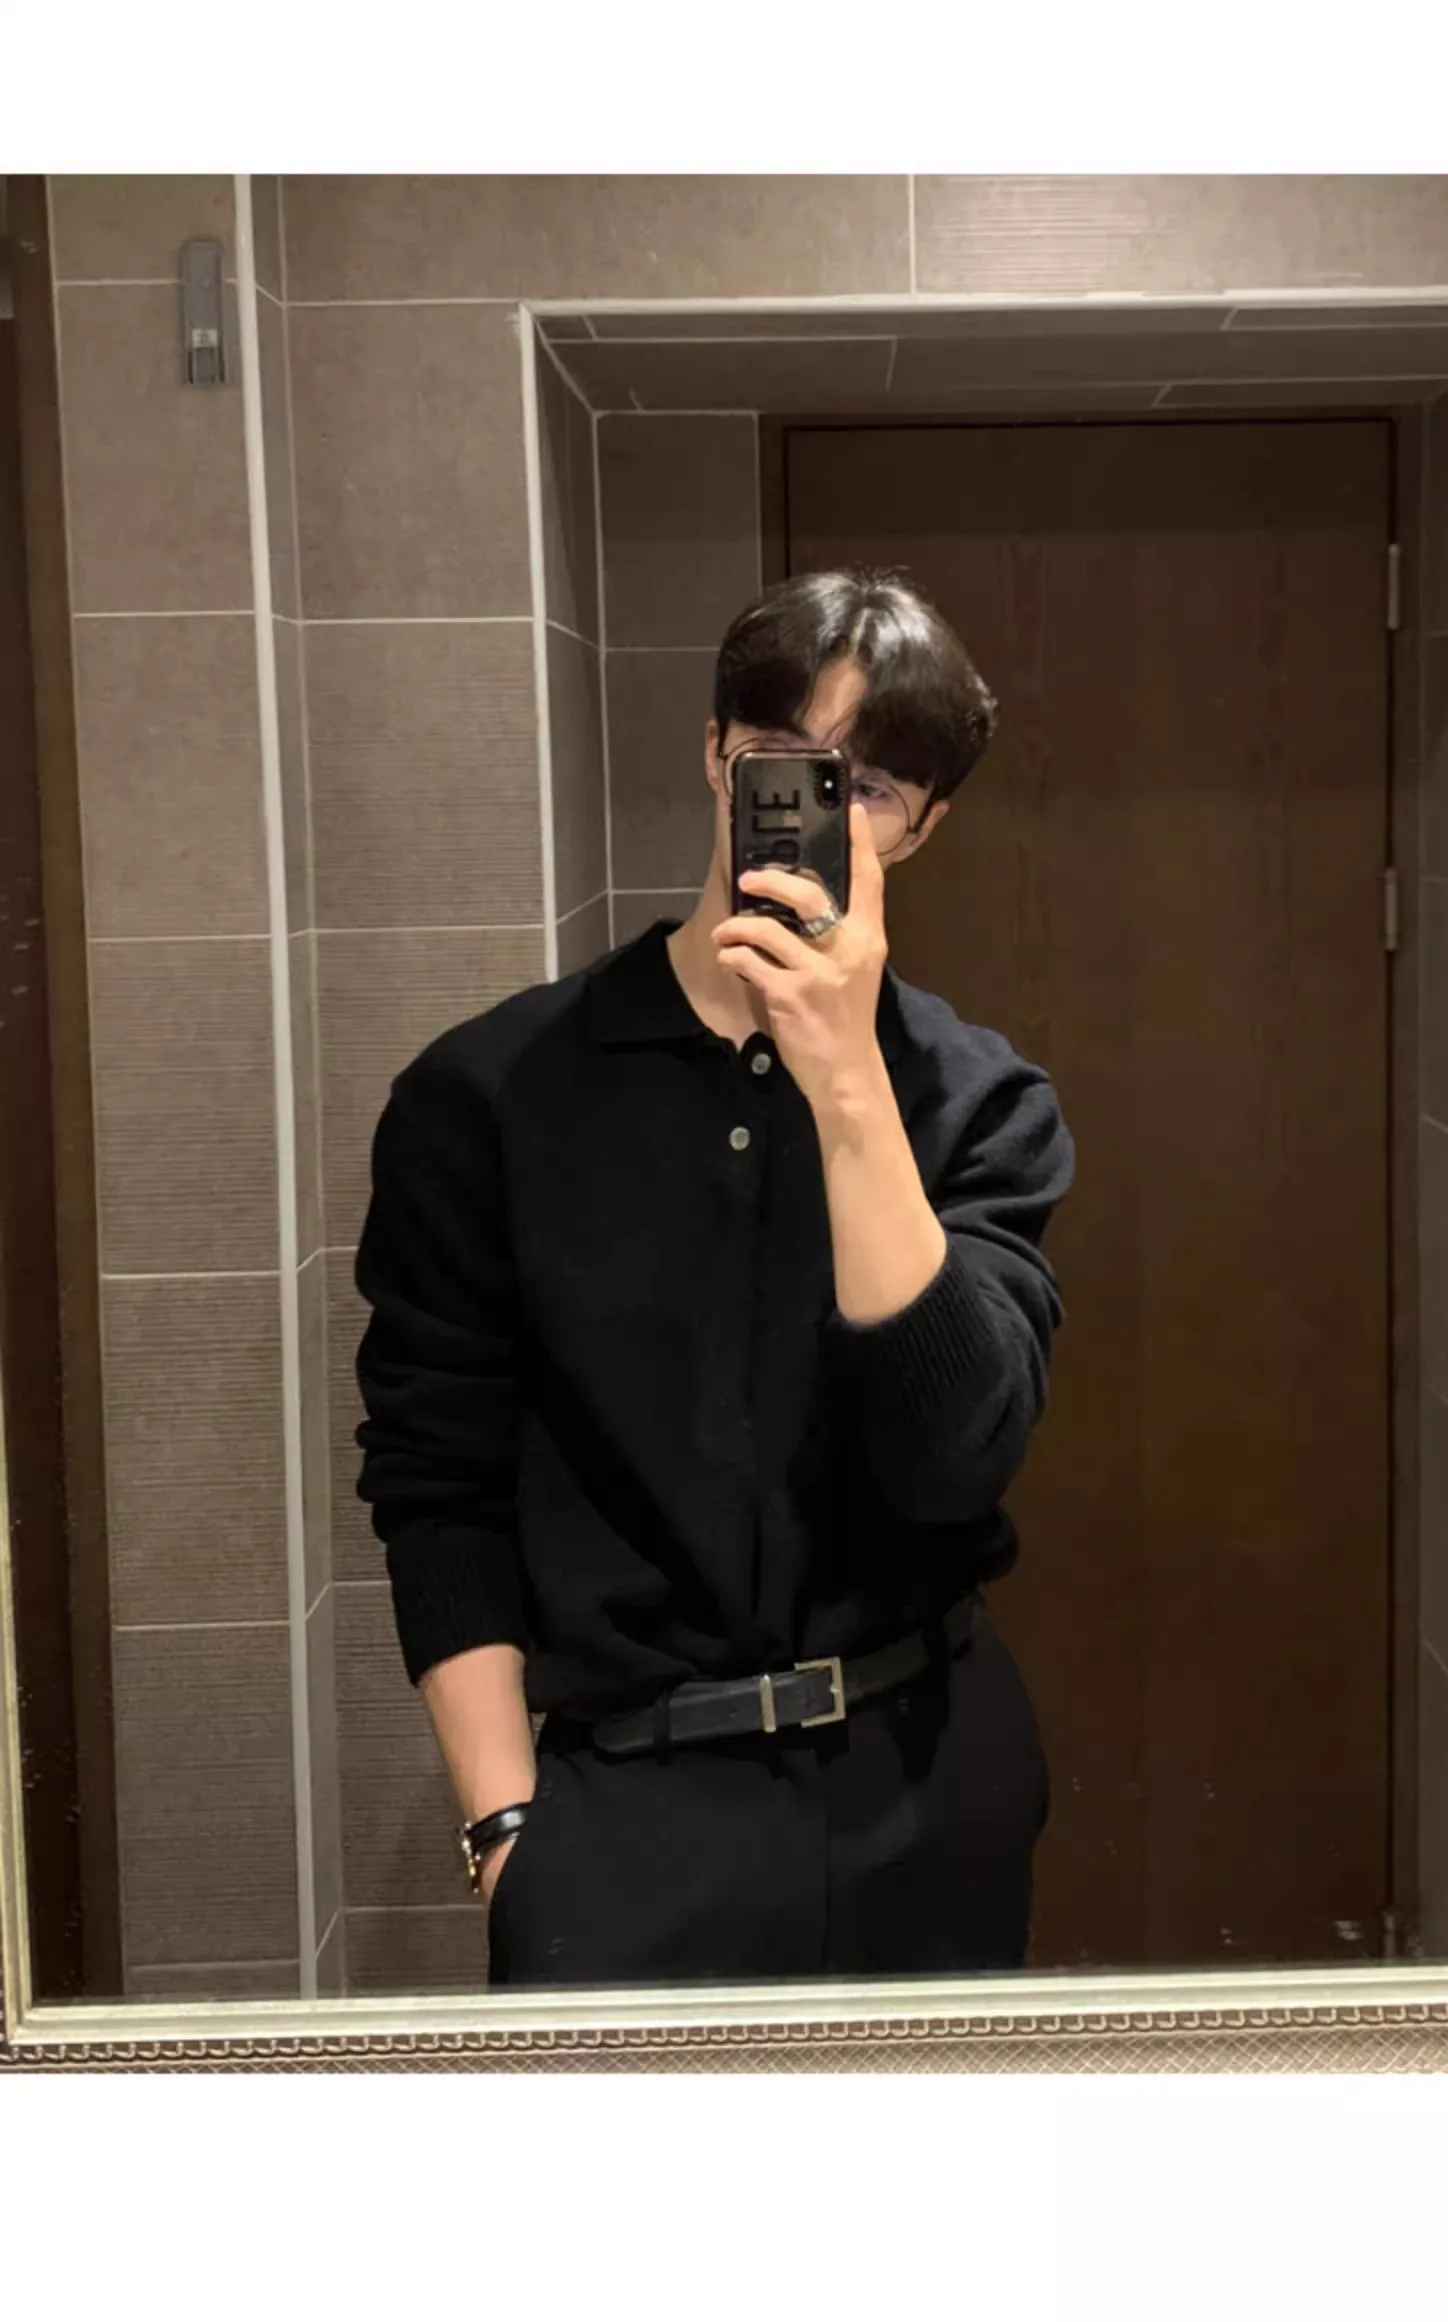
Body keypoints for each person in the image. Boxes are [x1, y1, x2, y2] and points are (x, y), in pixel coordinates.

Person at [353, 569, 1075, 1989]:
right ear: (713, 755)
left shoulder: (978, 1104)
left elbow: (955, 1460)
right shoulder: (489, 1096)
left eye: (869, 787)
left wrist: (849, 1084)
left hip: (928, 1780)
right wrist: (507, 1829)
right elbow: (435, 1478)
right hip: (622, 1805)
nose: (820, 810)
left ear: (922, 827)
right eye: (783, 763)